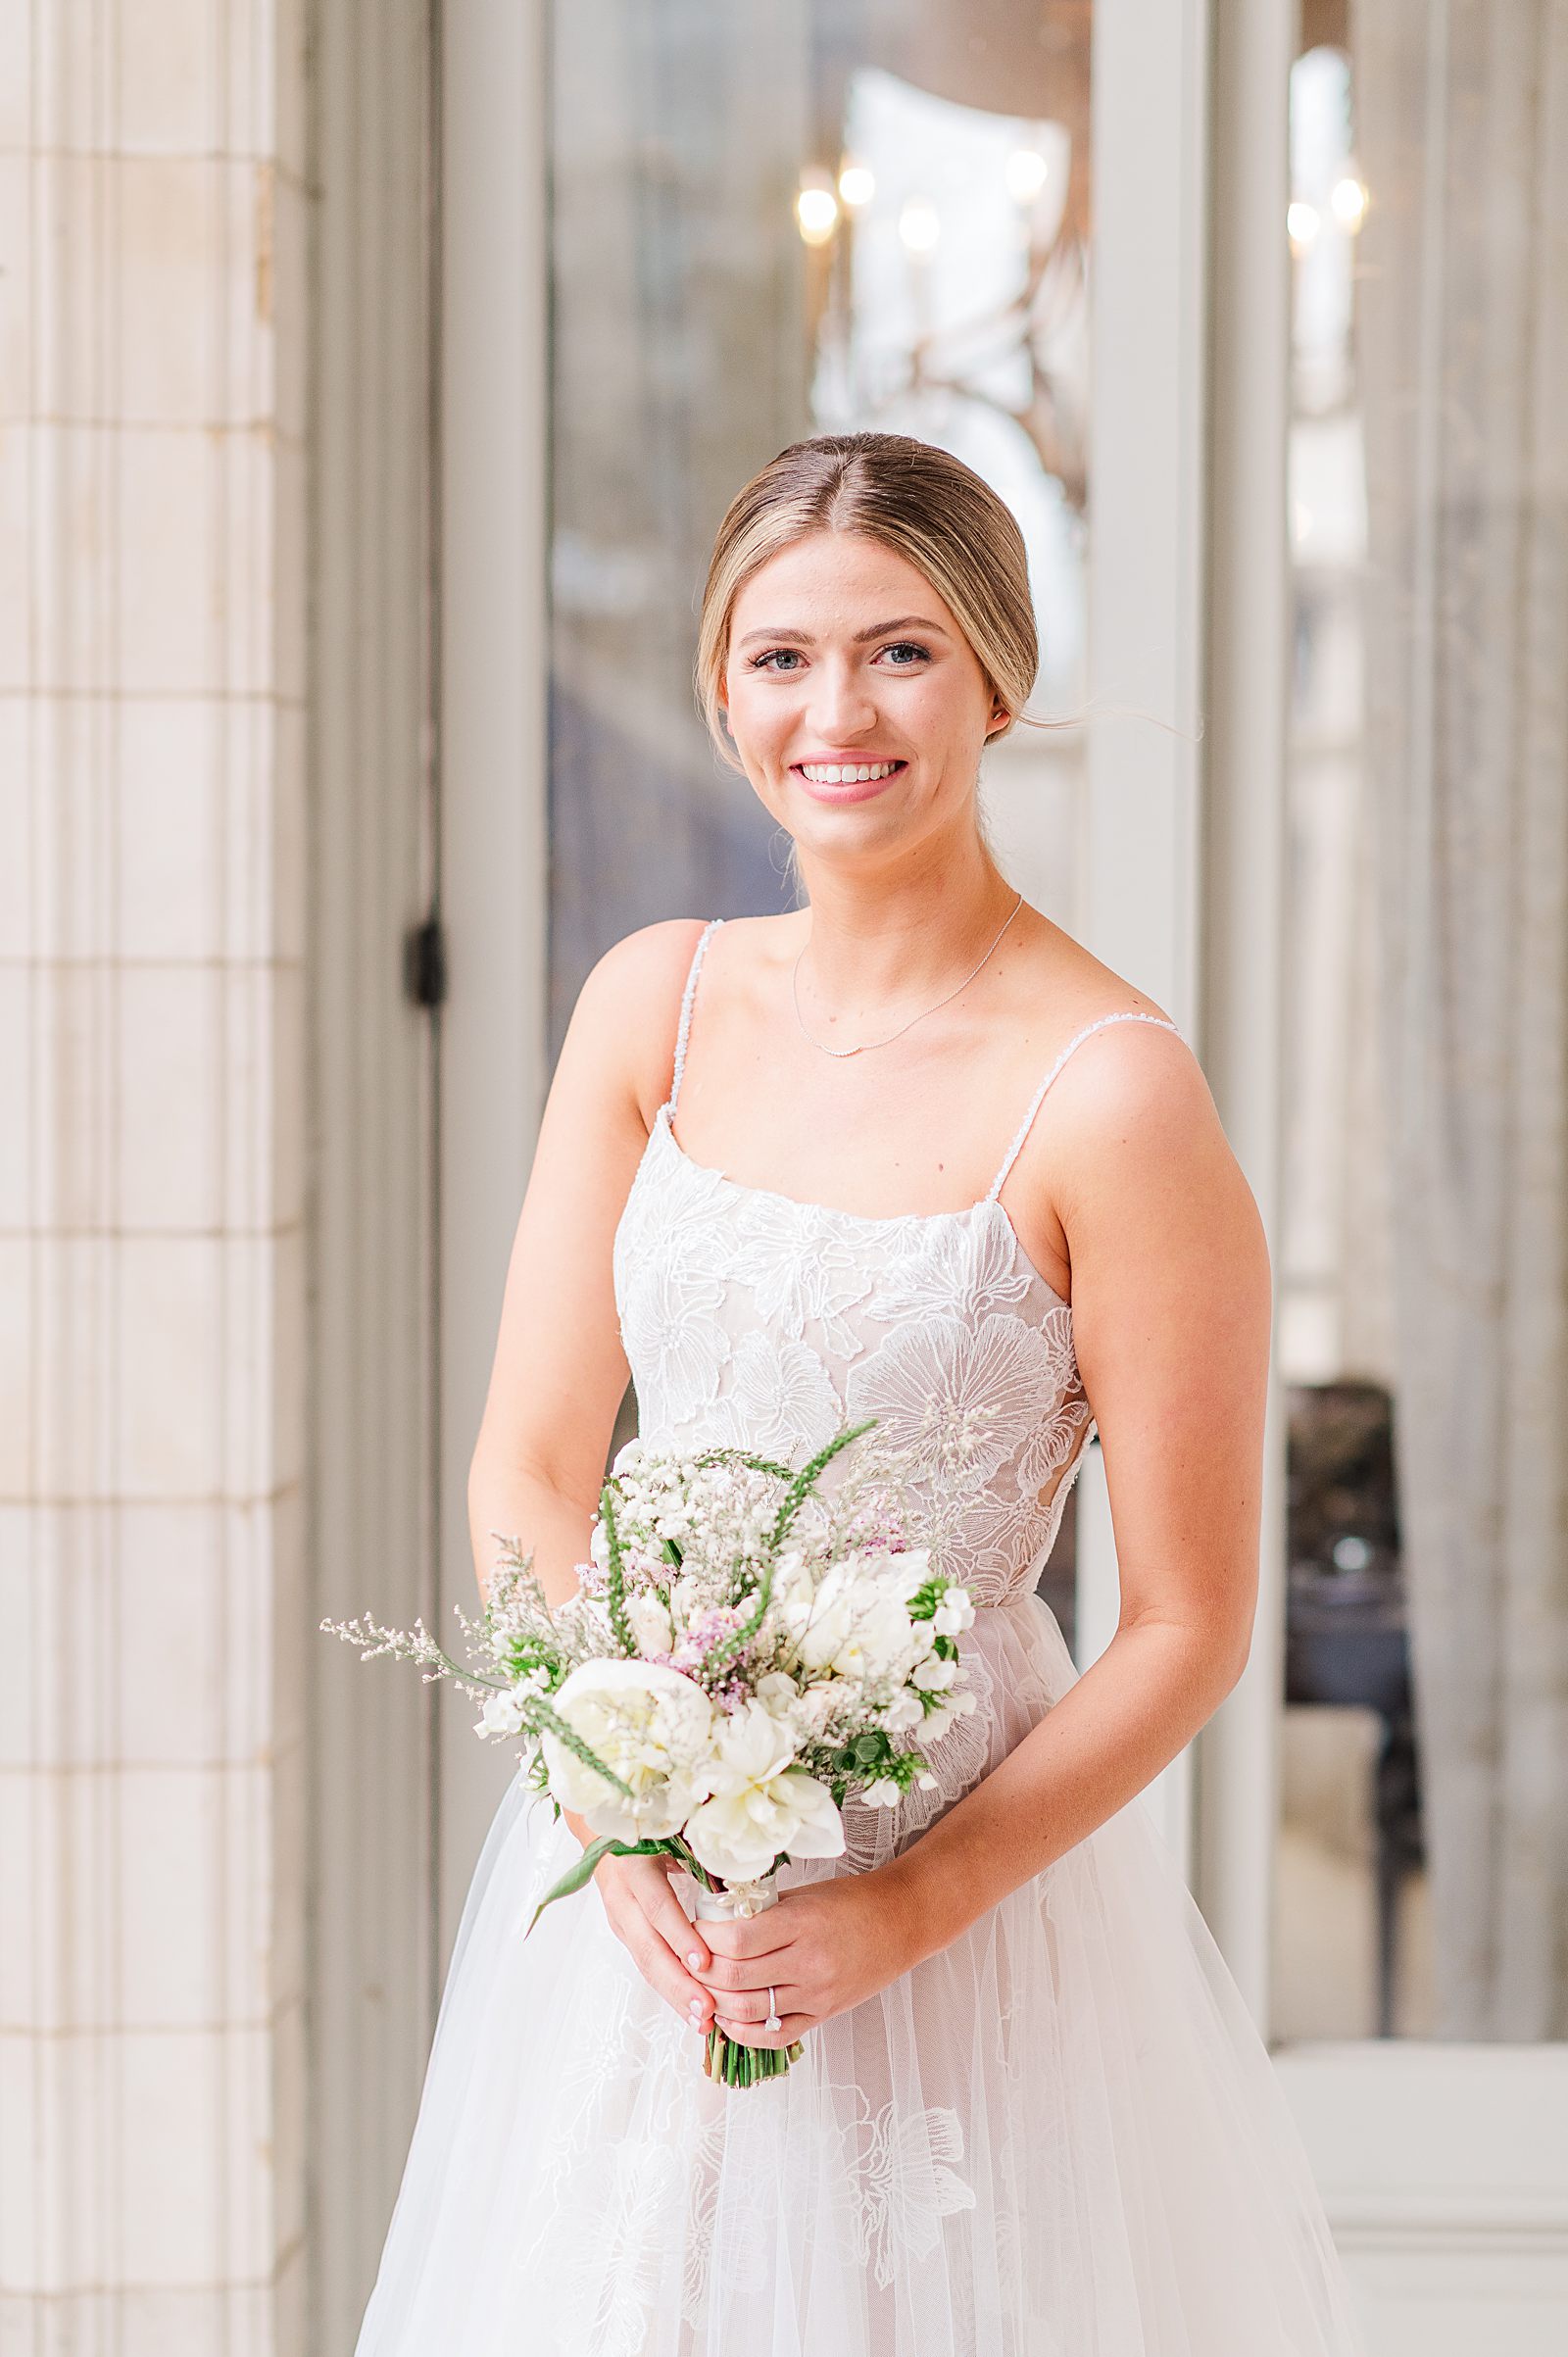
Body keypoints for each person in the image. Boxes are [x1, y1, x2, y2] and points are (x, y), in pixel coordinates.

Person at [353, 431, 1368, 2354]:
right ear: (723, 692)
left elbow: (1184, 1626)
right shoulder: (648, 1004)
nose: (837, 710)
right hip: (635, 1872)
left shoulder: (1109, 1095)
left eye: (897, 651)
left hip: (948, 1890)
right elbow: (533, 1458)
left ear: (997, 670)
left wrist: (907, 1909)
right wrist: (600, 1774)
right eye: (779, 656)